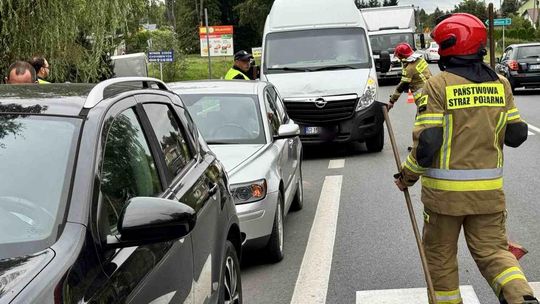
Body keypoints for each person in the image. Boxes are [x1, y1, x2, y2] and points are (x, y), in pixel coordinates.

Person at [393, 13, 538, 304]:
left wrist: (406, 176)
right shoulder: (500, 84)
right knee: (495, 253)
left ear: (448, 47)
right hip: (488, 197)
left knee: (440, 258)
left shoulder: (438, 86)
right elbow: (518, 134)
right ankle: (521, 298)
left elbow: (428, 142)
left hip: (444, 200)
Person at [387, 42, 432, 110]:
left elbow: (402, 86)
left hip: (422, 96)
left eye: (399, 57)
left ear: (402, 56)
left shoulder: (409, 69)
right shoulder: (420, 60)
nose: (399, 59)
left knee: (423, 117)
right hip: (432, 89)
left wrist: (391, 101)